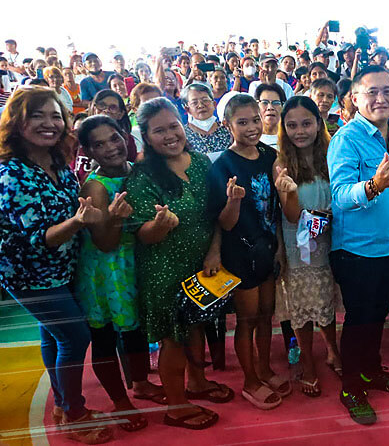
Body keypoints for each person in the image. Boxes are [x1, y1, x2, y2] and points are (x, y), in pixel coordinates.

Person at [0, 87, 114, 444]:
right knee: (76, 335)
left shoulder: (57, 163)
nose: (49, 124)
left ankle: (64, 406)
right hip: (29, 274)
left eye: (55, 116)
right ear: (17, 123)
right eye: (38, 116)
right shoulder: (11, 174)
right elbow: (40, 237)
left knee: (55, 333)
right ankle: (76, 414)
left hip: (61, 269)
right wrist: (80, 222)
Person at [125, 97, 233, 430]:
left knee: (195, 325)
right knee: (173, 337)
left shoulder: (200, 163)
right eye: (159, 131)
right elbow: (142, 234)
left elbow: (217, 214)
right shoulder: (142, 175)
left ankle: (197, 383)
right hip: (163, 270)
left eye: (174, 126)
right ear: (145, 135)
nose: (170, 135)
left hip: (200, 264)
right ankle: (176, 405)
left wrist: (215, 251)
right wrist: (159, 225)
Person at [327, 65, 389, 425]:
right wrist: (374, 185)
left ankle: (370, 370)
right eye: (372, 92)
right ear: (355, 98)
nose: (381, 98)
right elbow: (340, 196)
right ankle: (350, 387)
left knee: (378, 315)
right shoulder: (346, 139)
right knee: (359, 320)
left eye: (387, 92)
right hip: (356, 250)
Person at [75, 115, 167, 432]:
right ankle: (120, 401)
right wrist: (114, 220)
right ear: (88, 151)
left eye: (113, 138)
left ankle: (140, 383)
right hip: (106, 271)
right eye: (99, 144)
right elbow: (103, 244)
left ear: (125, 135)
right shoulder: (95, 187)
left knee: (136, 332)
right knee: (105, 337)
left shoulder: (138, 170)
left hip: (134, 262)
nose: (111, 148)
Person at [208, 93, 289, 410]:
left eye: (256, 119)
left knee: (267, 314)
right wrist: (233, 201)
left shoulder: (270, 156)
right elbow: (224, 223)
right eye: (243, 122)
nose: (253, 127)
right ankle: (250, 380)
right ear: (227, 125)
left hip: (268, 248)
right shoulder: (223, 166)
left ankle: (265, 368)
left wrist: (280, 246)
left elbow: (278, 208)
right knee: (247, 320)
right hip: (240, 252)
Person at [272, 95, 342, 397]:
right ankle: (308, 363)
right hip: (297, 242)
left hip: (329, 238)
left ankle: (333, 350)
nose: (299, 131)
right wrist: (286, 193)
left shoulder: (333, 153)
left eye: (306, 123)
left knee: (326, 298)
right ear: (283, 128)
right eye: (291, 125)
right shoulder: (281, 163)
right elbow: (289, 215)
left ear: (318, 123)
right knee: (301, 304)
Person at [181, 83, 232, 160]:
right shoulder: (183, 136)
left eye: (205, 100)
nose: (201, 105)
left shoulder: (227, 129)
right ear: (187, 109)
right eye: (194, 103)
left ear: (214, 104)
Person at [254, 83, 287, 150]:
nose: (270, 107)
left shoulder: (289, 138)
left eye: (276, 103)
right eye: (264, 102)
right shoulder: (251, 140)